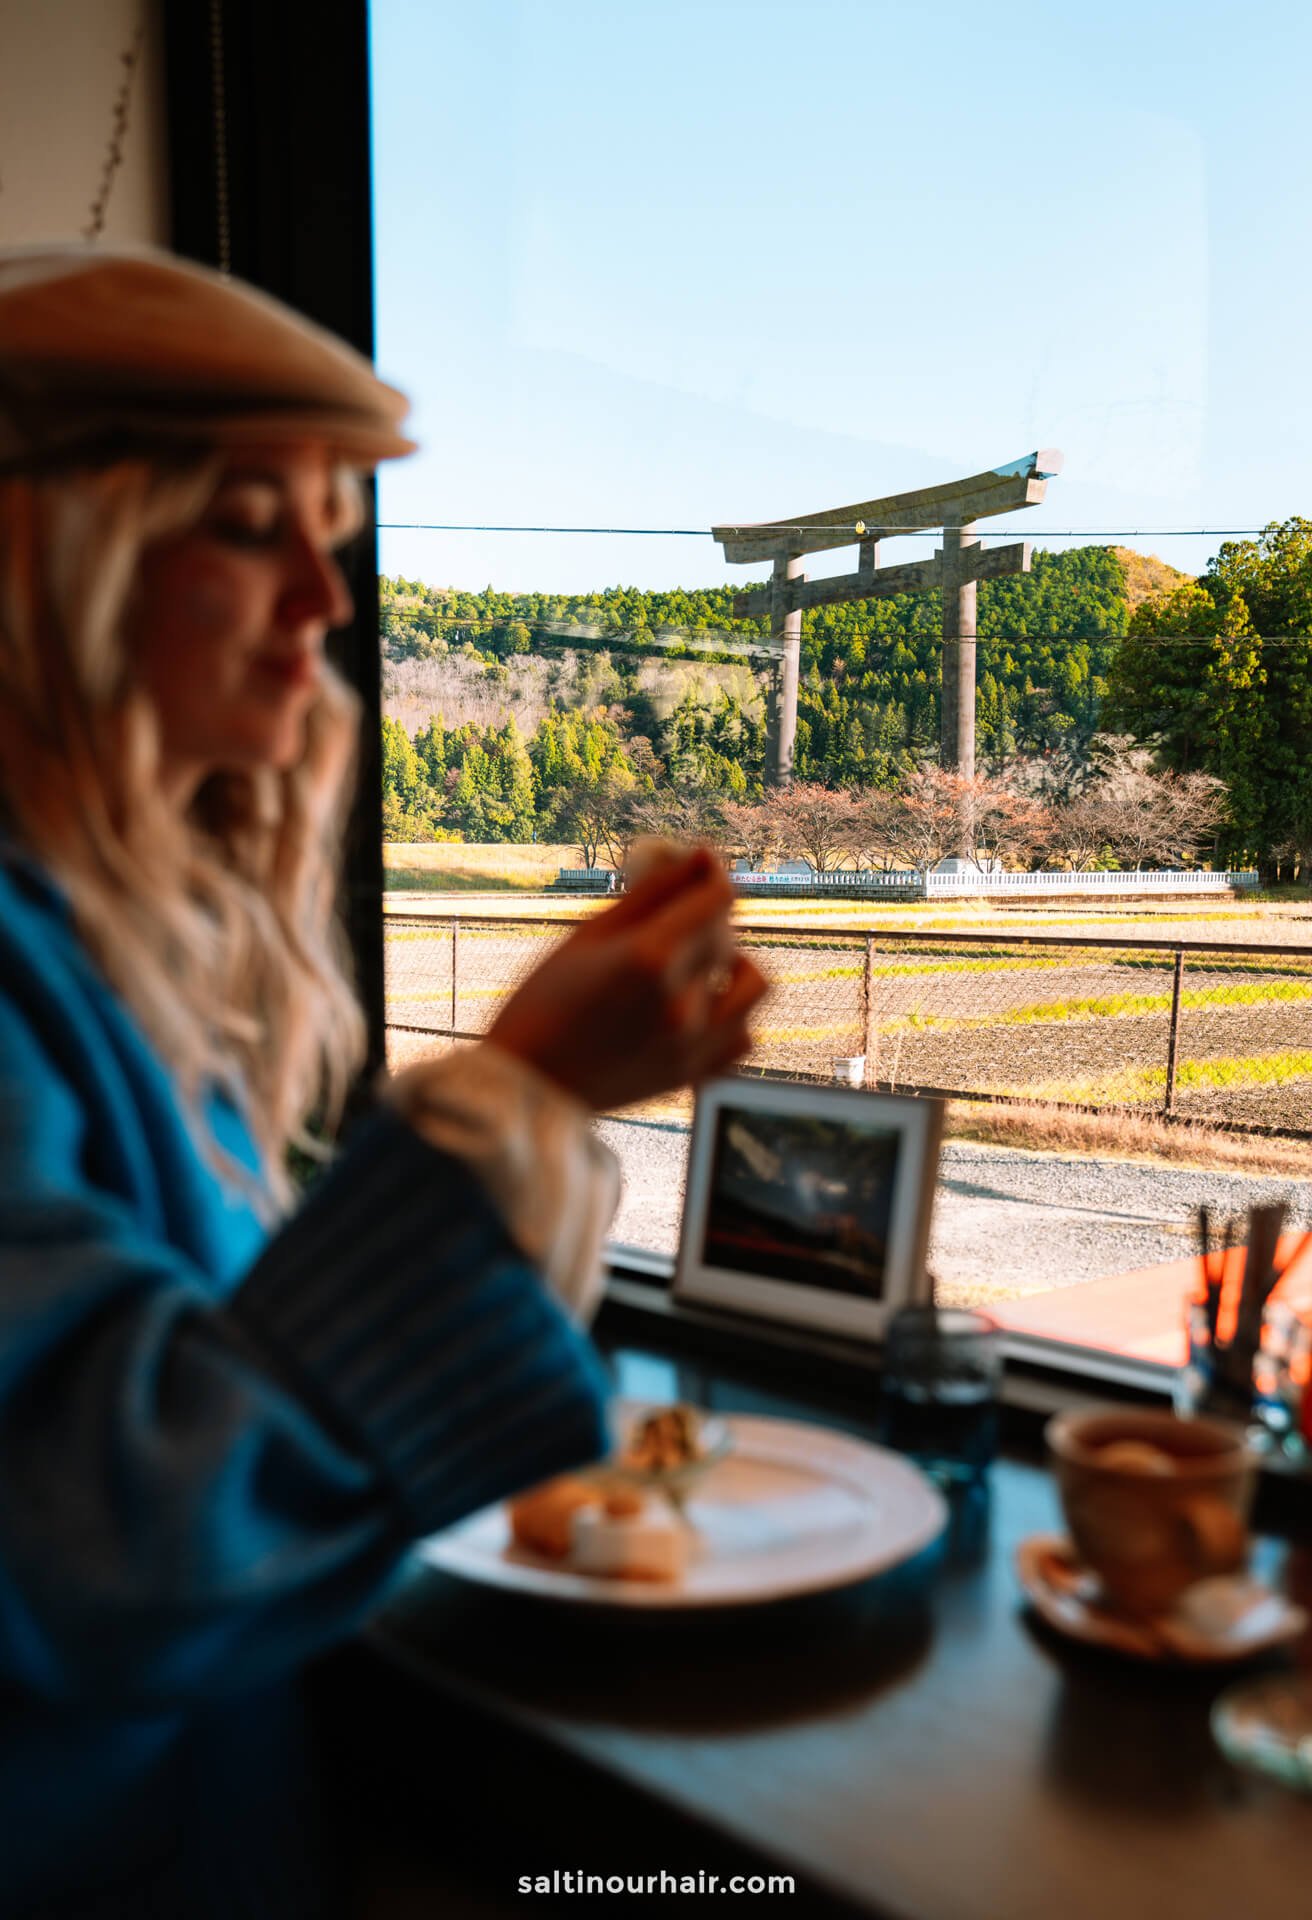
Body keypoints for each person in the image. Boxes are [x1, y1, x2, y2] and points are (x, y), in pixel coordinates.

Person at [0, 246, 766, 1917]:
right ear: (55, 545)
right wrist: (523, 1101)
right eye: (252, 525)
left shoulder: (109, 962)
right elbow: (93, 1547)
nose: (325, 610)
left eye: (329, 546)